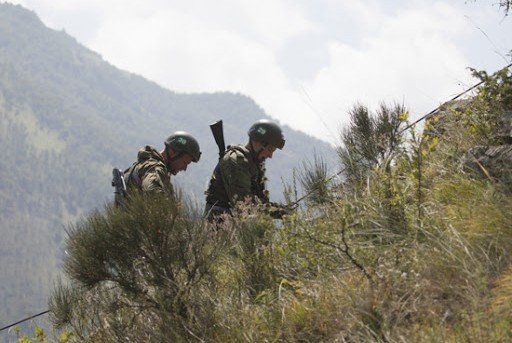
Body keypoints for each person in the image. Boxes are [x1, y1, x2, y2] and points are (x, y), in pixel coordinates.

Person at [205, 119, 290, 220]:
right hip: (219, 226)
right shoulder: (236, 161)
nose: (270, 155)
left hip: (236, 224)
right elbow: (243, 204)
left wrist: (280, 209)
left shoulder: (254, 164)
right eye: (270, 149)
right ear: (257, 142)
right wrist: (277, 212)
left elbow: (259, 202)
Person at [123, 131, 201, 196]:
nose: (184, 168)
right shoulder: (154, 169)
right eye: (185, 162)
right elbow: (152, 192)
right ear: (173, 152)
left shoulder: (147, 165)